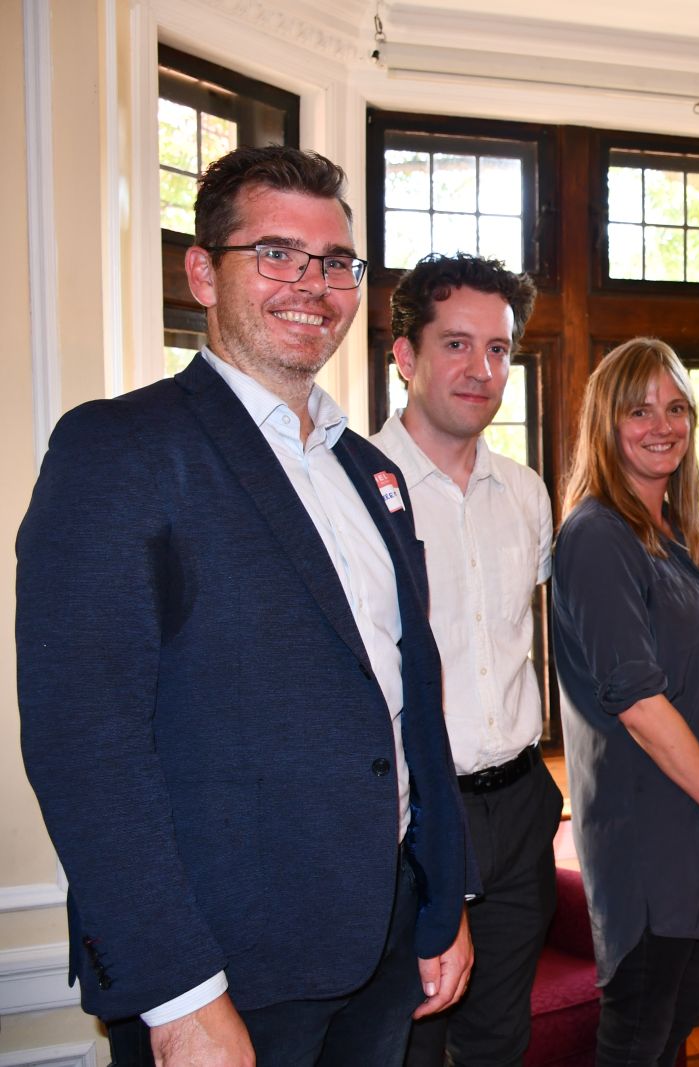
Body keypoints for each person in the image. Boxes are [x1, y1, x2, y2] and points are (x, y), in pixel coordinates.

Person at [16, 146, 476, 1067]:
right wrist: (179, 996)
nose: (313, 284)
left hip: (382, 946)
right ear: (201, 272)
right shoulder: (122, 449)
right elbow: (84, 743)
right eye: (276, 253)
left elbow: (407, 702)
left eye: (336, 263)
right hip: (226, 971)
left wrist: (439, 900)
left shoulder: (371, 471)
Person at [551, 338, 699, 1067]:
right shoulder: (596, 536)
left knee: (673, 1032)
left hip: (698, 826)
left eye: (676, 407)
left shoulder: (673, 532)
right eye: (639, 409)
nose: (662, 424)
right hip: (651, 838)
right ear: (605, 424)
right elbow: (639, 703)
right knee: (640, 1040)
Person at [371, 253, 563, 1067]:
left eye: (499, 349)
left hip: (518, 807)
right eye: (456, 344)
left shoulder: (526, 493)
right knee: (410, 1040)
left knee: (498, 1035)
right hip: (410, 816)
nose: (482, 369)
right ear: (405, 355)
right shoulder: (350, 489)